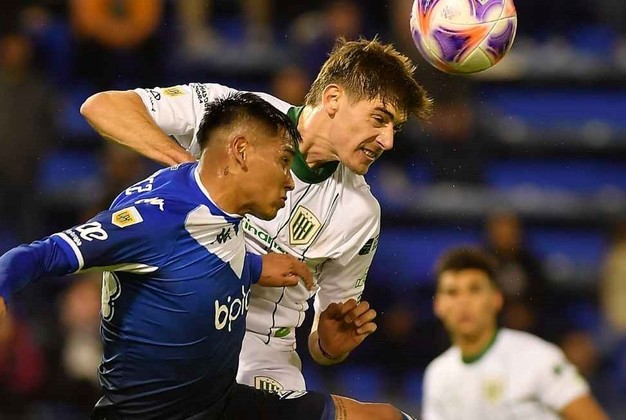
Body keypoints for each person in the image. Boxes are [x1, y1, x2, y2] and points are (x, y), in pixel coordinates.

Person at [0, 93, 417, 420]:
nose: (290, 182)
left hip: (218, 404)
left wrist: (256, 267)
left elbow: (197, 261)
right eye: (282, 162)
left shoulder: (224, 208)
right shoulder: (158, 219)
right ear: (241, 152)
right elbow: (38, 255)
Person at [80, 37, 432, 391]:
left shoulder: (361, 213)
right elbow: (103, 107)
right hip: (181, 331)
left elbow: (323, 338)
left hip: (265, 359)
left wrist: (328, 346)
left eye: (395, 127)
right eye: (379, 119)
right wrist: (190, 172)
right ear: (333, 99)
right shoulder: (231, 115)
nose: (388, 141)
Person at [422, 247, 608, 420]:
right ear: (438, 305)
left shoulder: (538, 357)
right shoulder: (438, 374)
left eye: (475, 290)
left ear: (496, 299)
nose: (463, 302)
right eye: (452, 292)